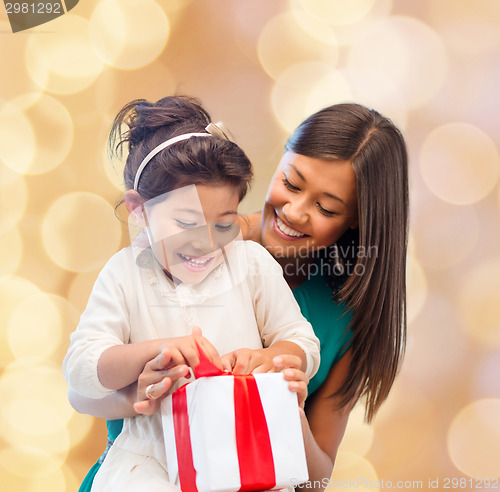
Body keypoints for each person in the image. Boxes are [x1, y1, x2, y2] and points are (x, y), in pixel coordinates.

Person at [69, 102, 409, 491]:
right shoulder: (161, 240)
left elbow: (316, 477)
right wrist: (143, 389)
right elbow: (81, 386)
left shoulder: (313, 301)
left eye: (326, 207)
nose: (295, 212)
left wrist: (283, 395)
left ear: (357, 219)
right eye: (292, 183)